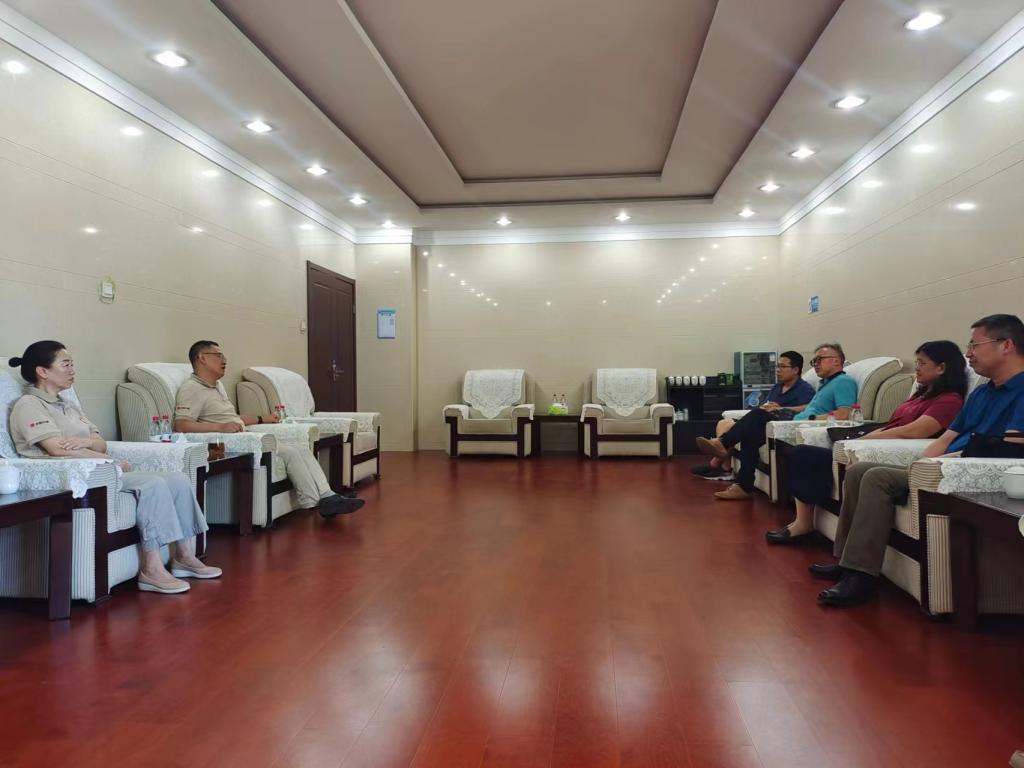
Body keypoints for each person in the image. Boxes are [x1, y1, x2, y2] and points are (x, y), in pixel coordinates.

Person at [813, 315, 1024, 607]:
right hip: (941, 467)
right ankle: (846, 561)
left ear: (1006, 345)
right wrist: (921, 466)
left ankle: (861, 577)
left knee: (877, 477)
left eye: (975, 345)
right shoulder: (982, 392)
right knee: (859, 470)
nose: (969, 353)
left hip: (970, 474)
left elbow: (1009, 452)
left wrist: (943, 463)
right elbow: (946, 438)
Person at [9, 341, 222, 595]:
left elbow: (100, 442)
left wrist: (86, 444)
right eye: (65, 364)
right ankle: (151, 570)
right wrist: (107, 461)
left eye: (72, 364)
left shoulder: (68, 405)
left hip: (103, 471)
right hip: (80, 477)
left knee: (178, 479)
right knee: (153, 484)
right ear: (42, 371)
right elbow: (56, 448)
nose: (72, 370)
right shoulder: (29, 405)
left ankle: (184, 557)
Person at [766, 340, 966, 545]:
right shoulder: (919, 396)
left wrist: (867, 439)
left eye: (922, 363)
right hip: (876, 440)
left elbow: (915, 431)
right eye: (916, 362)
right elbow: (890, 424)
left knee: (805, 455)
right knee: (803, 453)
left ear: (941, 368)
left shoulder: (949, 400)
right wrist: (864, 437)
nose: (916, 368)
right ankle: (803, 522)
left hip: (888, 450)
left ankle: (805, 525)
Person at [173, 341, 364, 518]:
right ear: (202, 358)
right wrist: (220, 427)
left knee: (299, 448)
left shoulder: (217, 386)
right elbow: (181, 425)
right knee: (290, 452)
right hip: (221, 445)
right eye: (218, 355)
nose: (224, 360)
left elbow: (233, 419)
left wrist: (262, 418)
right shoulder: (191, 388)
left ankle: (327, 496)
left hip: (242, 436)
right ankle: (319, 501)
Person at [696, 343, 858, 501]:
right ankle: (743, 486)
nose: (815, 364)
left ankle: (723, 444)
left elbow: (844, 414)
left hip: (803, 426)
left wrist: (812, 418)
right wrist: (783, 410)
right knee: (750, 433)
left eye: (819, 359)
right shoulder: (825, 384)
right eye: (813, 361)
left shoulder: (843, 382)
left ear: (836, 361)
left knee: (758, 415)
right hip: (795, 420)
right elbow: (810, 407)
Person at [691, 351, 815, 481]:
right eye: (777, 366)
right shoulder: (777, 387)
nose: (778, 370)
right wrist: (765, 407)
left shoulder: (804, 389)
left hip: (776, 426)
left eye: (782, 367)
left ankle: (717, 461)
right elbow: (766, 404)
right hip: (762, 420)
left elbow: (808, 407)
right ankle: (724, 464)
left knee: (749, 426)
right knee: (725, 423)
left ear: (795, 370)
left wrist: (781, 408)